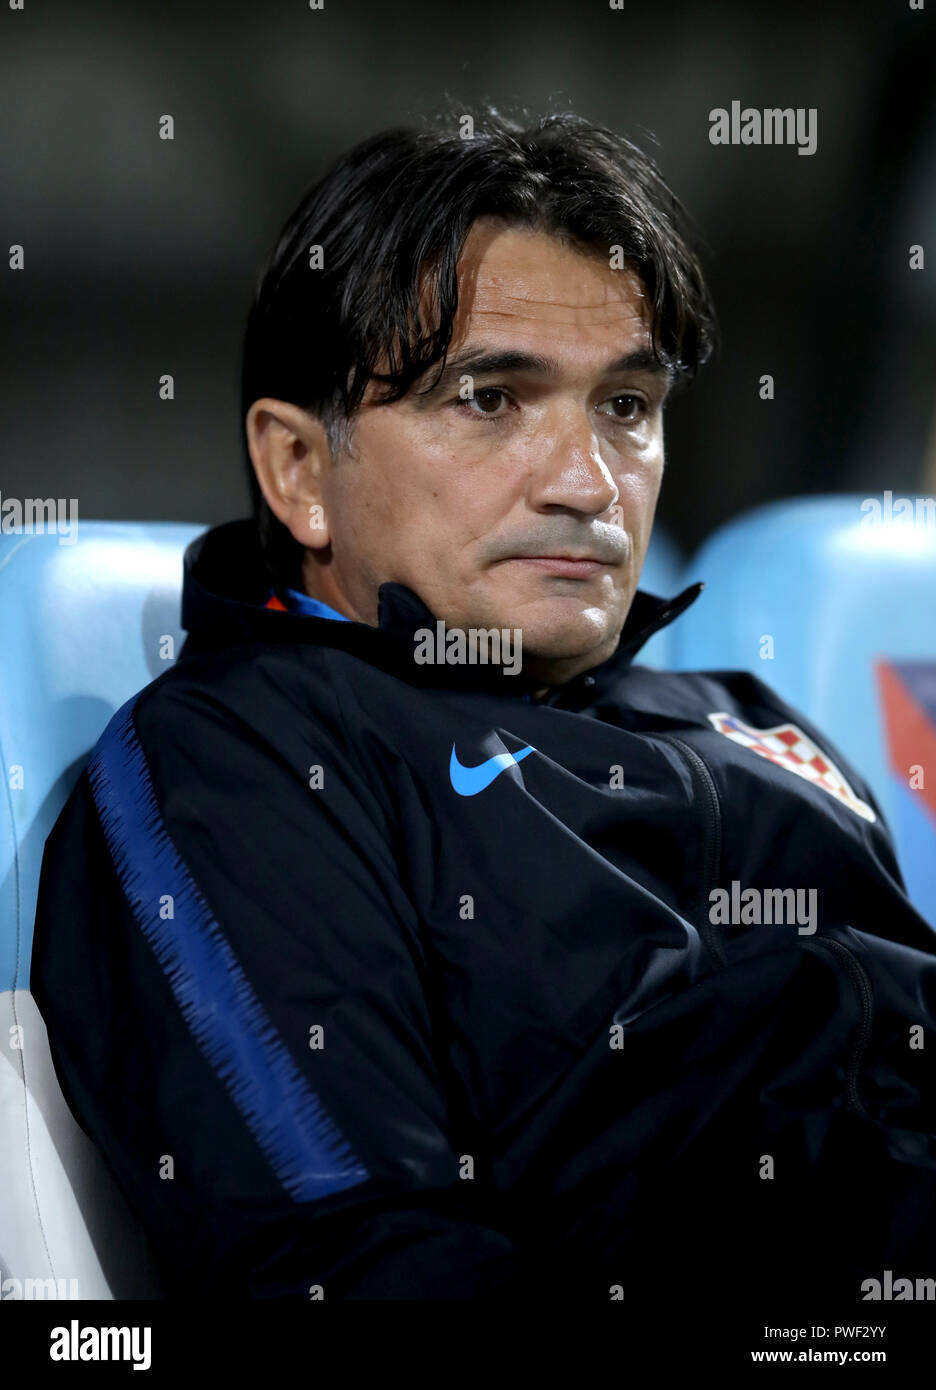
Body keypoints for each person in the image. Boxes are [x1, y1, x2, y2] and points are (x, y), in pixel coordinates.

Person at [31, 104, 936, 1308]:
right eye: (492, 399)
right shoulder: (247, 760)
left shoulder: (751, 720)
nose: (586, 483)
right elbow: (360, 1268)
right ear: (300, 471)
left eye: (626, 407)